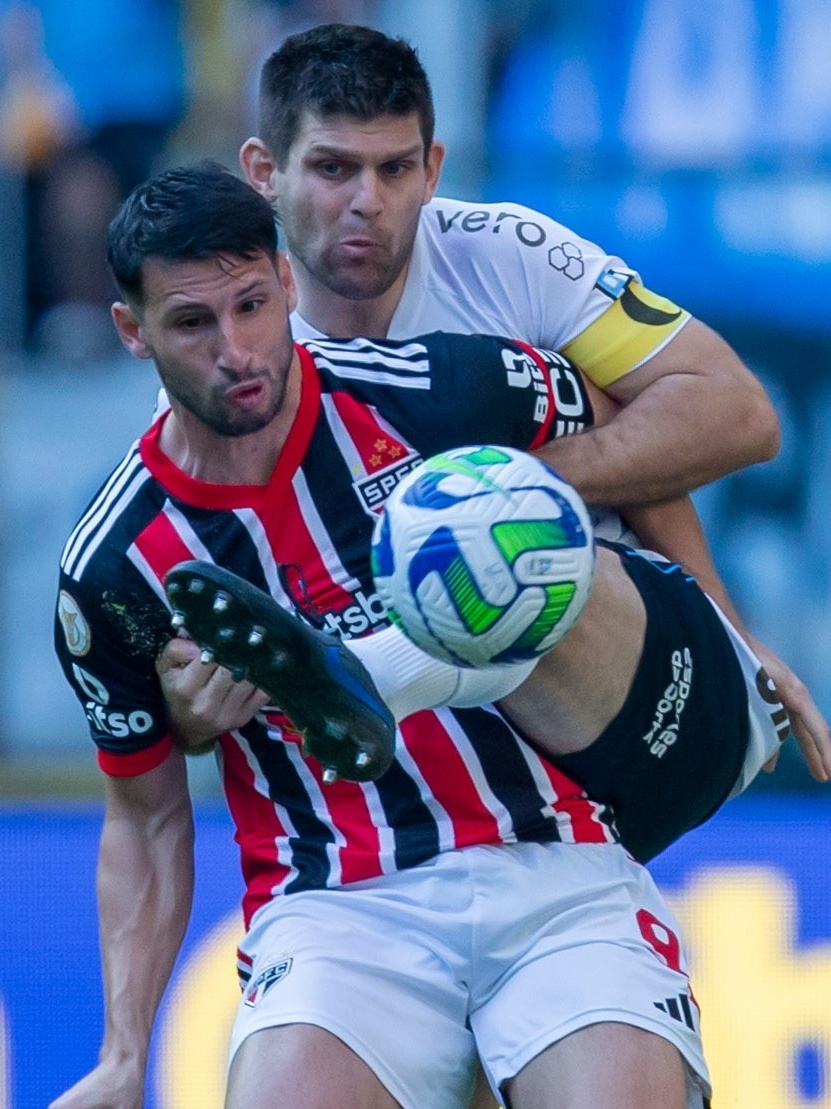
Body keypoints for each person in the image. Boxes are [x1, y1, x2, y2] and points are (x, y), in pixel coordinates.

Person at [53, 161, 716, 1109]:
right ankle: (363, 675)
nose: (236, 350)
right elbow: (146, 817)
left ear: (288, 283)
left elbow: (646, 439)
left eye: (250, 305)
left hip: (553, 861)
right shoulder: (114, 567)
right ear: (132, 331)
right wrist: (123, 1055)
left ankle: (372, 672)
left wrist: (720, 621)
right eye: (193, 324)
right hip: (336, 906)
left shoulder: (435, 389)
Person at [227, 21, 828, 767]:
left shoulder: (504, 253)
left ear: (434, 168)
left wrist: (511, 487)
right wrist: (190, 711)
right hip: (402, 781)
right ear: (263, 171)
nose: (367, 202)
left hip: (605, 706)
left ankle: (379, 673)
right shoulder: (233, 358)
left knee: (475, 528)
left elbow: (738, 413)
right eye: (332, 168)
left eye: (395, 170)